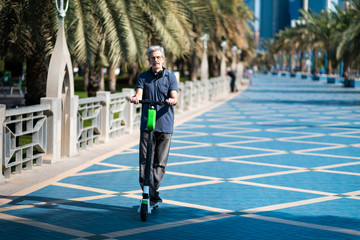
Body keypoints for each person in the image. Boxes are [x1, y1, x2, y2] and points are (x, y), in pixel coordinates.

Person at [130, 46, 178, 203]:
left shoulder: (170, 77)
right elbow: (139, 93)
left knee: (160, 161)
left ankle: (152, 190)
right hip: (148, 124)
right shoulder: (143, 77)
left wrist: (172, 100)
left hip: (165, 123)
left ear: (163, 59)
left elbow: (174, 95)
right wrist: (136, 98)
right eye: (152, 58)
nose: (155, 60)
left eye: (158, 57)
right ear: (149, 60)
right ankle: (148, 192)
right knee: (145, 160)